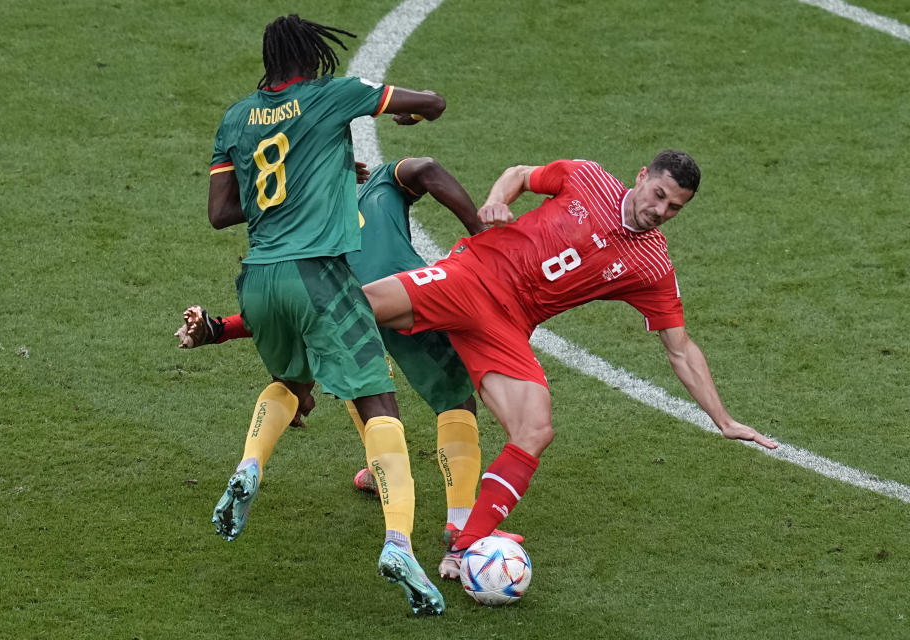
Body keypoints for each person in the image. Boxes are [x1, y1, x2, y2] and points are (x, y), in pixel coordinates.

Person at [359, 150, 780, 579]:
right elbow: (519, 173)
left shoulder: (652, 265)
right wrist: (497, 199)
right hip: (472, 275)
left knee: (536, 430)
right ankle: (294, 377)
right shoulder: (588, 178)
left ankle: (466, 545)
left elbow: (680, 349)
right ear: (641, 176)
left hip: (506, 327)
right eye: (658, 195)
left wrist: (723, 419)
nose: (660, 211)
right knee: (359, 305)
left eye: (674, 207)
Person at [201, 14, 450, 615]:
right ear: (312, 58)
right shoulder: (333, 94)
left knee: (294, 380)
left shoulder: (236, 117)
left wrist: (325, 181)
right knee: (377, 402)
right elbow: (433, 103)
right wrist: (405, 112)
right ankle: (399, 543)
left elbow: (221, 210)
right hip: (317, 274)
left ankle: (249, 466)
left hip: (259, 279)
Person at [177, 156, 523, 578]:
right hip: (411, 296)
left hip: (344, 307)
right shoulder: (382, 181)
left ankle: (372, 473)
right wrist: (482, 233)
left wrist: (218, 329)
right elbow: (428, 169)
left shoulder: (307, 221)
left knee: (356, 384)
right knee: (454, 399)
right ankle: (460, 521)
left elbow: (295, 304)